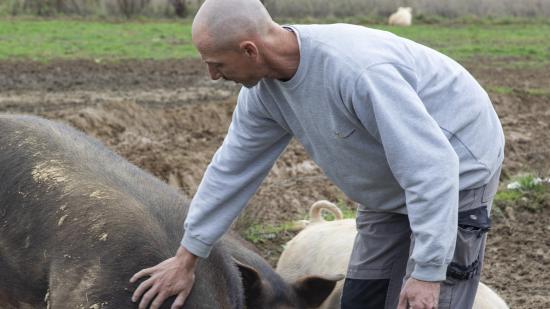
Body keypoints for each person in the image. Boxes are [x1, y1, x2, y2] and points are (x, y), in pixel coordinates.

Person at [129, 0, 505, 308]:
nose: (212, 75)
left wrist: (427, 274)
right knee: (363, 300)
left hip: (456, 170)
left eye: (217, 64)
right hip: (386, 187)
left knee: (427, 302)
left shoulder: (357, 72)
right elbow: (231, 169)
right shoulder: (263, 94)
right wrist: (186, 258)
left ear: (249, 49)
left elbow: (432, 168)